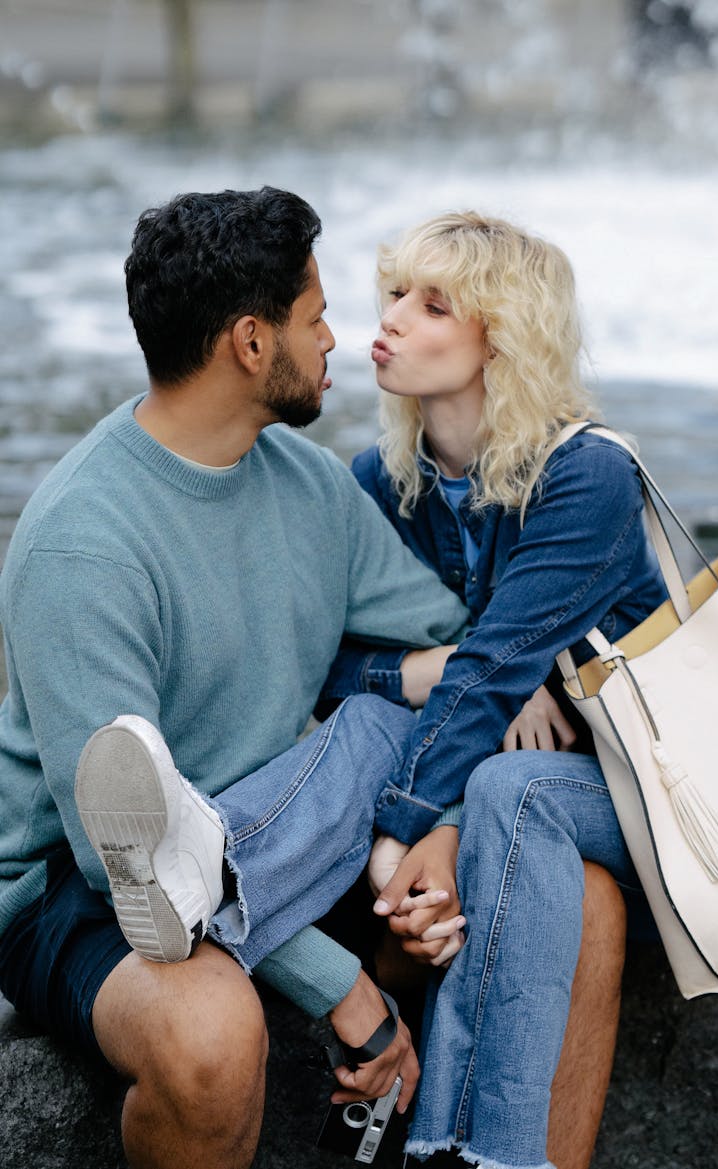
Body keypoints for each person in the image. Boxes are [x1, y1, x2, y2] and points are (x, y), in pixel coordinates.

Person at [0, 187, 473, 1169]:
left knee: (406, 750)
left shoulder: (308, 489)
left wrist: (440, 826)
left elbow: (452, 649)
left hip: (274, 831)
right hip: (77, 886)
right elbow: (104, 854)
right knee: (212, 1036)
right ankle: (215, 875)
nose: (340, 338)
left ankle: (219, 869)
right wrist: (340, 983)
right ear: (252, 344)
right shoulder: (85, 541)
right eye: (317, 316)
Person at [317, 211, 668, 1169]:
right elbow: (331, 668)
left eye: (435, 306)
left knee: (512, 796)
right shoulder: (383, 486)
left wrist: (406, 835)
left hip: (637, 792)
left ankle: (475, 1157)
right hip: (500, 807)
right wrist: (419, 672)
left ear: (499, 341)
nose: (392, 319)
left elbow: (492, 668)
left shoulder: (586, 476)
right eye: (394, 292)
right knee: (506, 812)